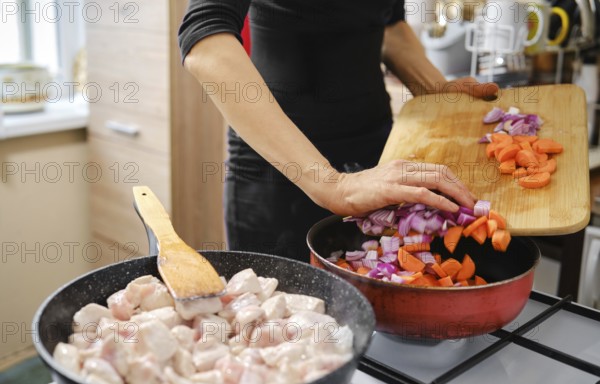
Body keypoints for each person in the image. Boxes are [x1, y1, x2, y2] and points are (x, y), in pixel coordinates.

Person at [178, 1, 498, 261]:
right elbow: (205, 37)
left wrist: (435, 90)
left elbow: (388, 22)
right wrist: (334, 185)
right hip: (283, 173)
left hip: (378, 160)